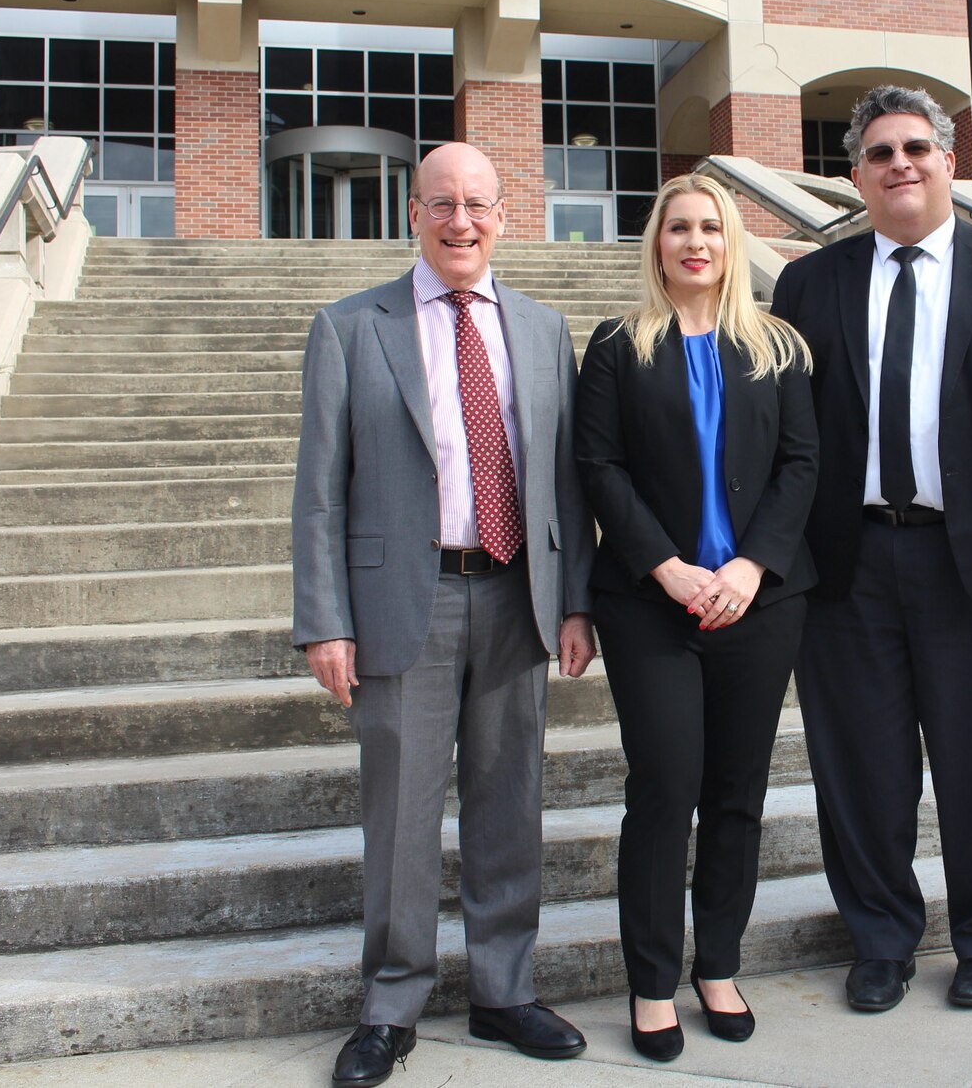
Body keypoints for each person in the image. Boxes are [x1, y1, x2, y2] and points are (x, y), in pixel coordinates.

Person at [769, 85, 972, 1014]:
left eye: (917, 146)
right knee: (860, 767)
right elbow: (787, 432)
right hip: (849, 564)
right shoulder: (810, 284)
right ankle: (881, 940)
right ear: (856, 175)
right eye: (880, 152)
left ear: (950, 161)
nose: (900, 163)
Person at [292, 142, 599, 1088]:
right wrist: (323, 620)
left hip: (517, 594)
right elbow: (320, 492)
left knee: (511, 799)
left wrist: (577, 600)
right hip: (400, 600)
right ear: (412, 214)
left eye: (476, 204)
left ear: (505, 213)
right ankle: (390, 1001)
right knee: (402, 809)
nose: (460, 221)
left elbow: (566, 479)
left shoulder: (546, 330)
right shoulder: (350, 327)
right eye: (441, 204)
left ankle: (505, 989)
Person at [575, 173, 819, 1061]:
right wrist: (670, 569)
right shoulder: (617, 344)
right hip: (651, 604)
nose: (695, 242)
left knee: (735, 796)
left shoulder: (779, 347)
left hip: (760, 603)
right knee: (665, 789)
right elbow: (599, 466)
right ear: (657, 242)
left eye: (710, 227)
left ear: (733, 241)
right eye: (678, 227)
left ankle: (717, 965)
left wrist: (751, 566)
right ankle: (650, 982)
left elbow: (802, 464)